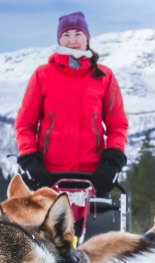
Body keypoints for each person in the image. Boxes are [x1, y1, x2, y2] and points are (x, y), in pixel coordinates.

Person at [15, 11, 128, 197]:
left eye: (78, 34)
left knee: (96, 226)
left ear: (87, 38)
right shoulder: (42, 75)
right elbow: (24, 124)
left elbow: (118, 125)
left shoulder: (104, 76)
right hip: (48, 175)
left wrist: (112, 162)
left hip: (94, 176)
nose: (72, 40)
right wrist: (30, 159)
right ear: (59, 40)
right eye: (66, 35)